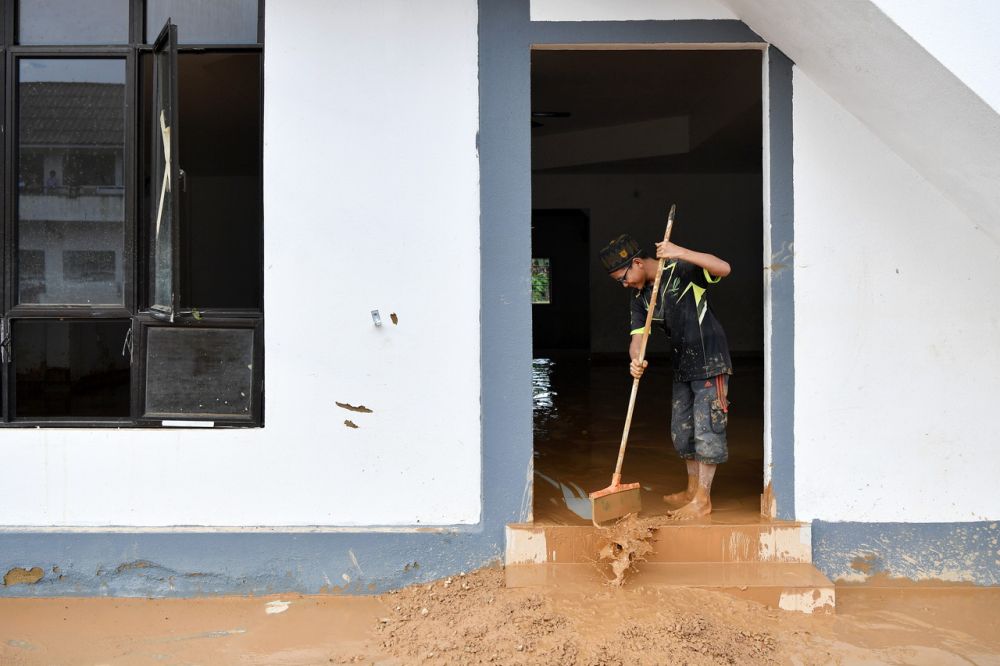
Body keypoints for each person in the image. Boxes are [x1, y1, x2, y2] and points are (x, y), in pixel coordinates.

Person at [599, 233, 733, 520]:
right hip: (682, 364)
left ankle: (702, 500)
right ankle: (691, 490)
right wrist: (635, 359)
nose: (624, 284)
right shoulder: (639, 298)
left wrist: (679, 251)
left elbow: (723, 268)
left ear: (636, 263)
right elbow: (638, 337)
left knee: (708, 428)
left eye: (622, 278)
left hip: (710, 358)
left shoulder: (681, 269)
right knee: (682, 432)